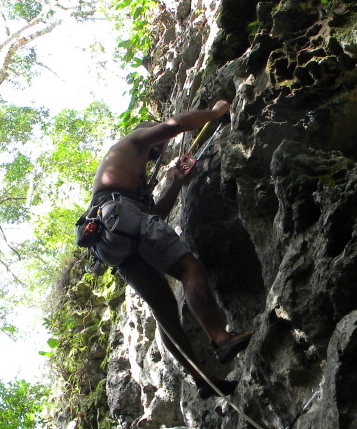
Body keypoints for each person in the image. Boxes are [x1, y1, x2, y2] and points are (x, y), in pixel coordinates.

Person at [85, 99, 252, 398]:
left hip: (108, 239)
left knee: (164, 310)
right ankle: (220, 338)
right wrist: (215, 113)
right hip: (118, 216)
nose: (158, 151)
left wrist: (176, 182)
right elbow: (176, 125)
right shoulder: (133, 139)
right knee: (189, 268)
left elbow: (152, 219)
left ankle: (201, 379)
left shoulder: (128, 176)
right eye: (156, 144)